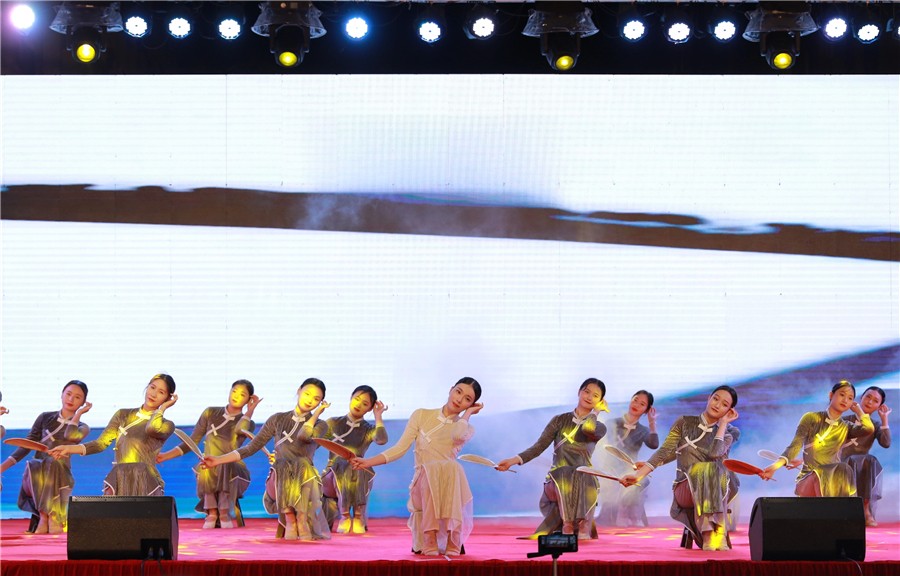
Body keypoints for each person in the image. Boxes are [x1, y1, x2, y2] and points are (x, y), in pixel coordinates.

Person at [351, 377, 483, 556]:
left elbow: (458, 435)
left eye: (467, 399)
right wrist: (368, 462)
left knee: (452, 468)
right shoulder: (421, 415)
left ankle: (453, 539)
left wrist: (467, 414)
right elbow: (400, 448)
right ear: (451, 389)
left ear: (471, 405)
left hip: (449, 487)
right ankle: (429, 538)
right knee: (430, 471)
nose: (459, 399)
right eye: (458, 392)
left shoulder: (465, 427)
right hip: (422, 485)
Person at [203, 377, 330, 541]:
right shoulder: (277, 419)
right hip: (279, 481)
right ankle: (290, 519)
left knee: (302, 464)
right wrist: (218, 460)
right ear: (299, 391)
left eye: (316, 399)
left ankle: (301, 518)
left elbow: (303, 435)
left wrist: (316, 414)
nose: (310, 400)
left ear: (320, 403)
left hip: (305, 483)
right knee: (282, 465)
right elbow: (251, 447)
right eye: (307, 394)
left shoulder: (320, 425)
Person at [621, 385, 740, 551]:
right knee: (703, 469)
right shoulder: (684, 422)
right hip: (686, 488)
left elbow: (715, 453)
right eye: (715, 399)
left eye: (725, 404)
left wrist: (723, 424)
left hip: (717, 488)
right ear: (709, 398)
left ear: (729, 410)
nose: (718, 405)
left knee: (710, 469)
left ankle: (716, 533)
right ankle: (710, 535)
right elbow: (665, 451)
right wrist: (639, 475)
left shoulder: (729, 432)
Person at [496, 378, 609, 540]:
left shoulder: (600, 427)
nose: (589, 397)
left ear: (601, 402)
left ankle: (582, 527)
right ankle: (568, 526)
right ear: (579, 392)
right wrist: (512, 460)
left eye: (596, 396)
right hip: (557, 480)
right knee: (565, 474)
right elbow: (539, 446)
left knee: (584, 474)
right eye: (587, 391)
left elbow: (587, 428)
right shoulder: (559, 420)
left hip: (584, 480)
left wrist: (595, 413)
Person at [48, 374, 177, 496]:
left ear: (167, 398)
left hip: (146, 482)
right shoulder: (123, 415)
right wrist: (68, 448)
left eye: (161, 392)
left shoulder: (166, 425)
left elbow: (152, 428)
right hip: (120, 479)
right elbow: (100, 444)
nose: (153, 394)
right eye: (152, 387)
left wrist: (162, 409)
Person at [157, 379, 261, 529]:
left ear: (248, 400)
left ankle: (224, 512)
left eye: (242, 395)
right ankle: (212, 512)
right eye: (234, 391)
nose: (236, 396)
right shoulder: (210, 412)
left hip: (234, 472)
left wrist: (250, 410)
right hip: (209, 468)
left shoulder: (248, 422)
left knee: (223, 464)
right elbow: (192, 442)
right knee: (206, 464)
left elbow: (240, 431)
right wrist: (165, 456)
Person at [0, 381, 92, 533]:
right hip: (38, 471)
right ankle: (44, 516)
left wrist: (78, 414)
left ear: (83, 402)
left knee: (54, 463)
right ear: (62, 394)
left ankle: (51, 516)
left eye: (77, 397)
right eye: (68, 394)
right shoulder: (45, 417)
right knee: (34, 464)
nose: (71, 399)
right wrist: (2, 468)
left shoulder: (83, 427)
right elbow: (27, 445)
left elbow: (71, 435)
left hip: (61, 474)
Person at [761, 380, 874, 500]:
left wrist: (859, 412)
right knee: (833, 470)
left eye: (850, 398)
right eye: (842, 395)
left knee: (844, 469)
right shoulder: (811, 418)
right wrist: (774, 467)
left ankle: (841, 510)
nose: (845, 400)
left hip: (833, 480)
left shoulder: (846, 427)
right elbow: (795, 446)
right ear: (831, 395)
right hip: (808, 479)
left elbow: (869, 429)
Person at [321, 385, 388, 534]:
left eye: (365, 403)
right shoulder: (333, 423)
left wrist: (378, 416)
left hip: (358, 475)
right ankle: (345, 515)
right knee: (344, 463)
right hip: (332, 475)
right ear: (351, 398)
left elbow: (382, 440)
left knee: (357, 464)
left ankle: (358, 516)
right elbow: (314, 441)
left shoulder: (368, 429)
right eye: (357, 399)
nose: (359, 405)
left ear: (370, 409)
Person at [594, 389, 659, 527]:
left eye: (642, 404)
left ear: (646, 410)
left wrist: (652, 423)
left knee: (639, 480)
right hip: (610, 468)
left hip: (629, 468)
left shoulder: (643, 430)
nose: (636, 405)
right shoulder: (612, 423)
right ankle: (613, 515)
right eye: (635, 400)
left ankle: (628, 515)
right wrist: (596, 412)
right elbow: (595, 435)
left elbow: (654, 445)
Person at [841, 386, 891, 526]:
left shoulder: (874, 425)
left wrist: (884, 419)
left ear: (879, 406)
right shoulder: (844, 420)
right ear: (861, 397)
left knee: (869, 460)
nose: (869, 402)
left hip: (863, 465)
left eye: (875, 401)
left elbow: (886, 443)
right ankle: (848, 510)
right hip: (841, 461)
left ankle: (865, 509)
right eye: (868, 397)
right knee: (857, 461)